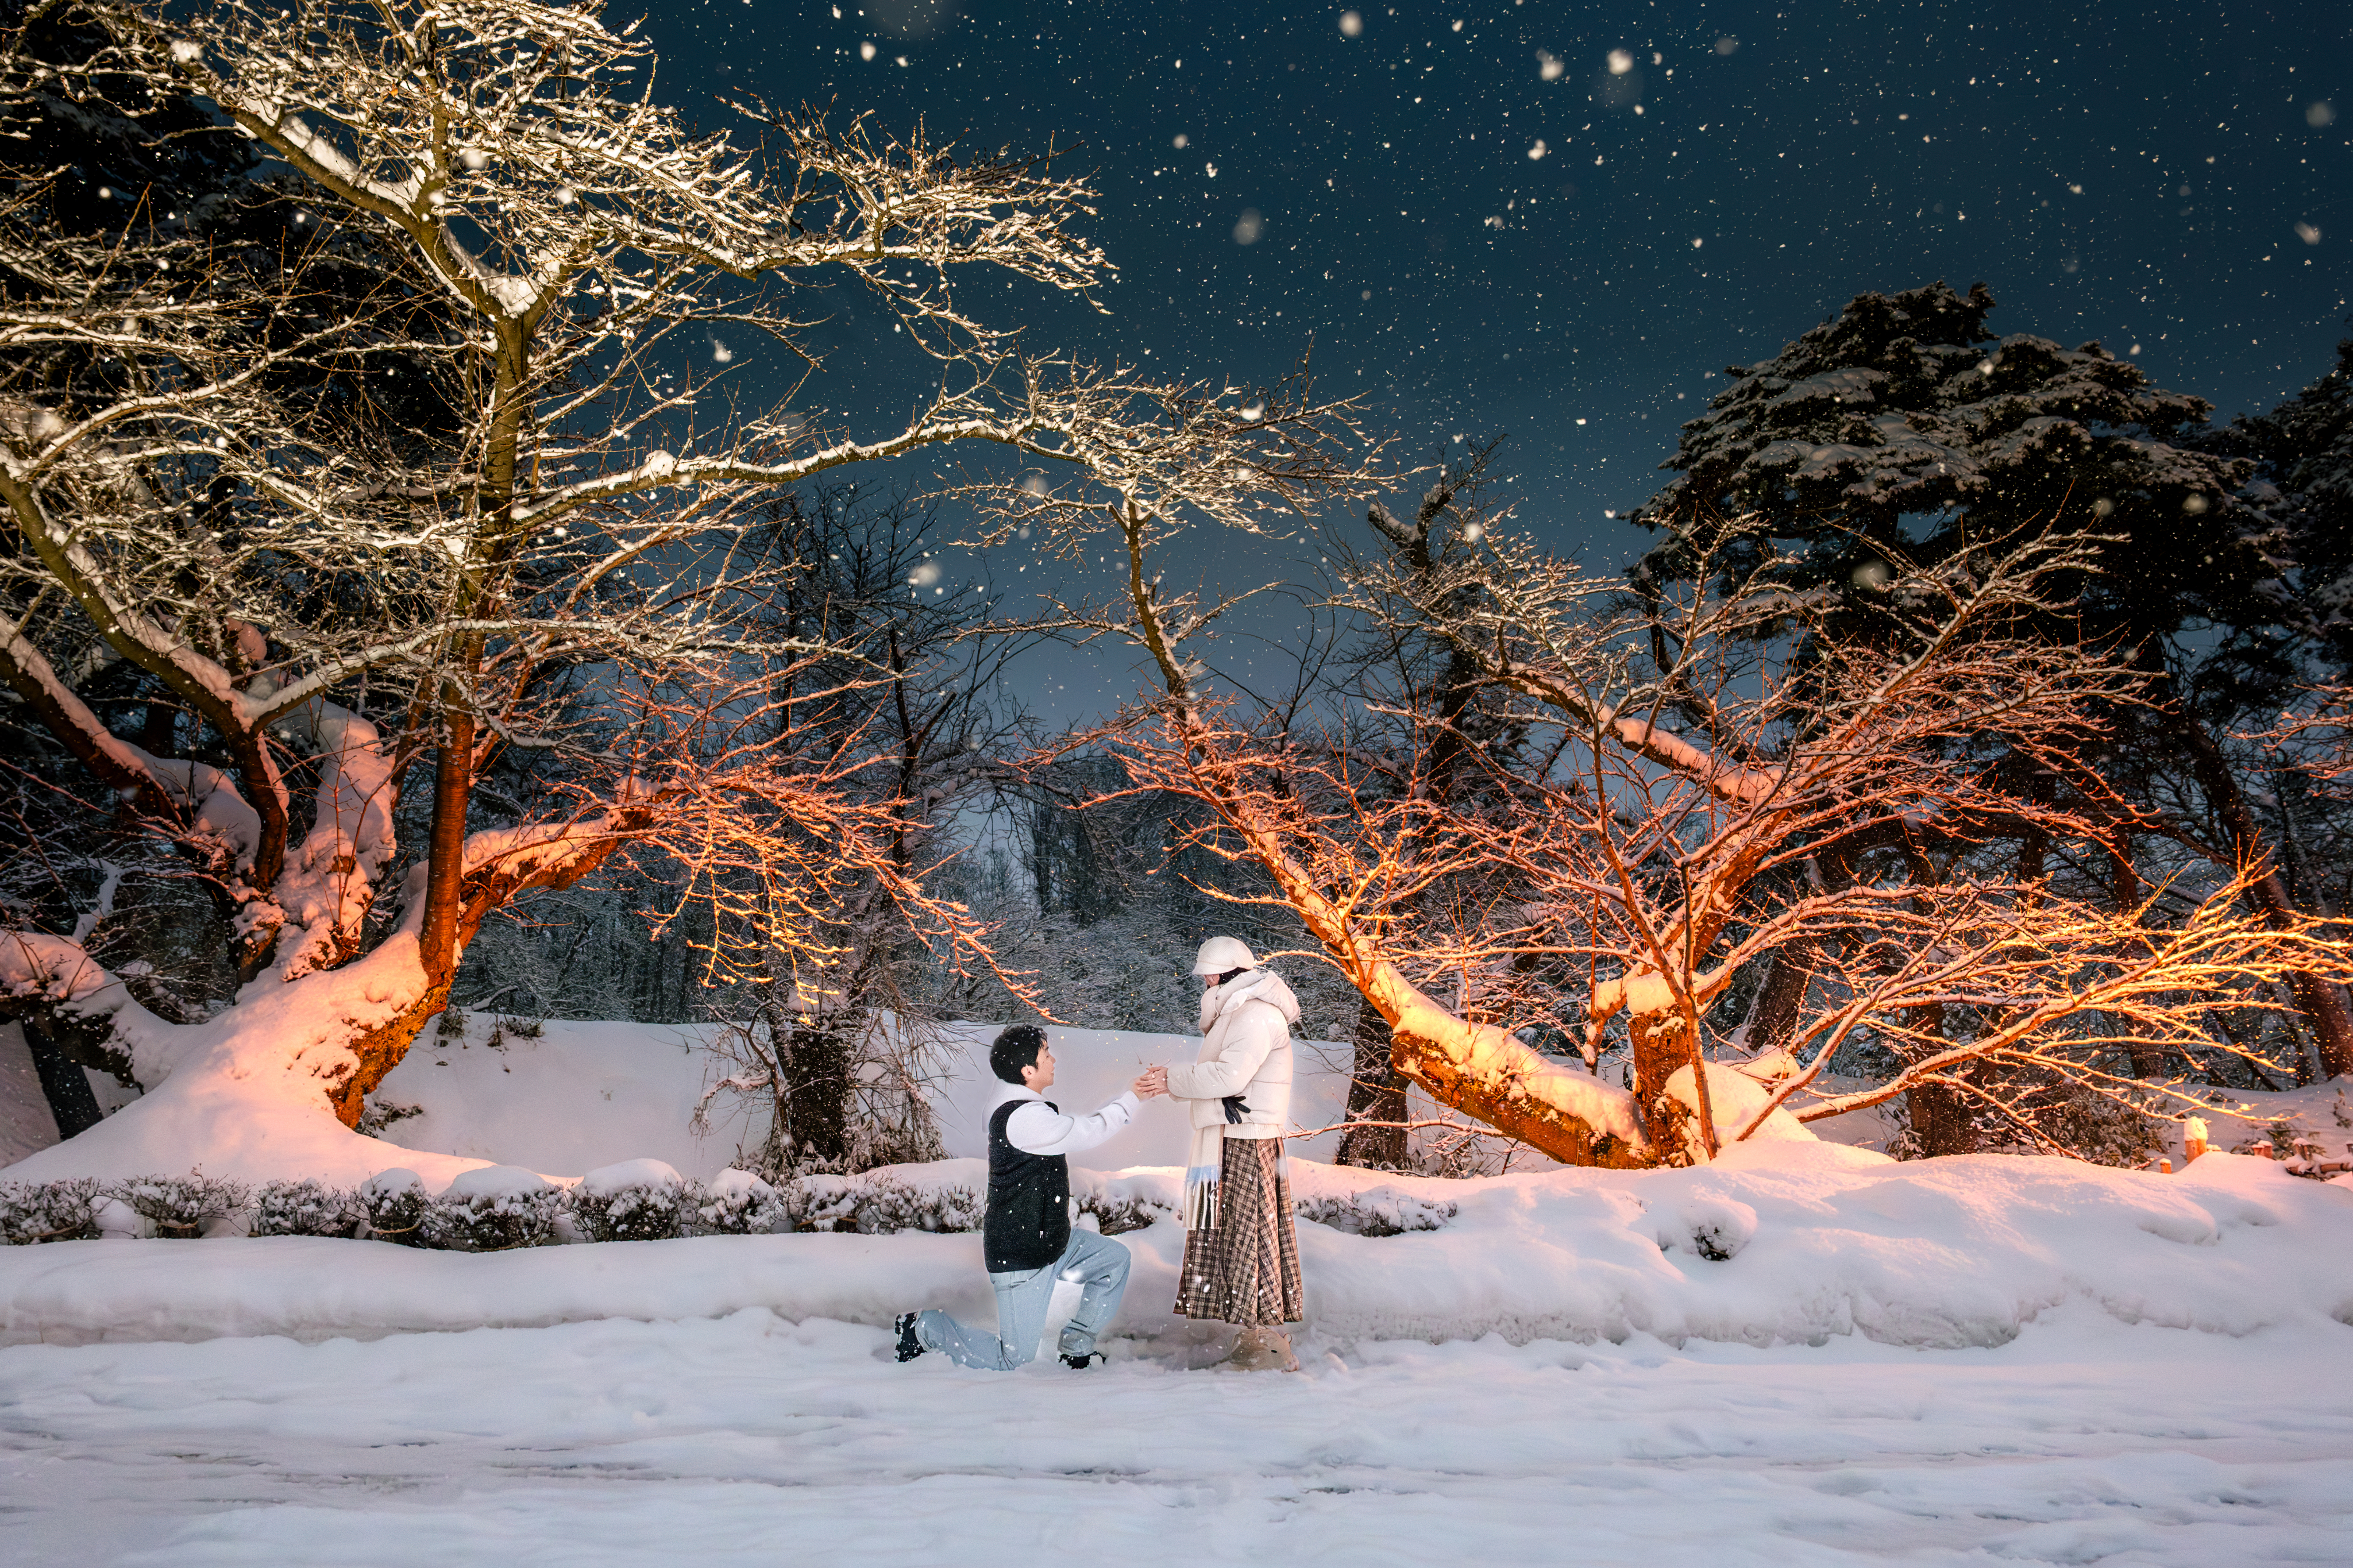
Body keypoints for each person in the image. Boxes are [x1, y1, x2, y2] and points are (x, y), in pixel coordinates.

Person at [894, 1025, 1164, 1370]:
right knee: (1013, 1360)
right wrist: (1133, 1098)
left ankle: (1076, 1347)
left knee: (1113, 1261)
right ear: (1028, 1071)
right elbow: (1088, 1131)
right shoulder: (1024, 1118)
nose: (1053, 1060)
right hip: (1021, 1252)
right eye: (1045, 1055)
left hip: (1051, 1241)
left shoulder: (1019, 1104)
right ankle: (923, 1328)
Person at [1147, 936, 1306, 1372]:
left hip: (1247, 1141)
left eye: (1211, 974)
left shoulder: (1255, 1015)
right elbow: (1226, 1083)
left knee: (1249, 1236)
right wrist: (1175, 1083)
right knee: (1240, 1235)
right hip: (1237, 1137)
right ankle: (1256, 1336)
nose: (1207, 982)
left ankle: (1268, 1343)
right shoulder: (1238, 1012)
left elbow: (1228, 1077)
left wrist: (1173, 1081)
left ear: (1231, 973)